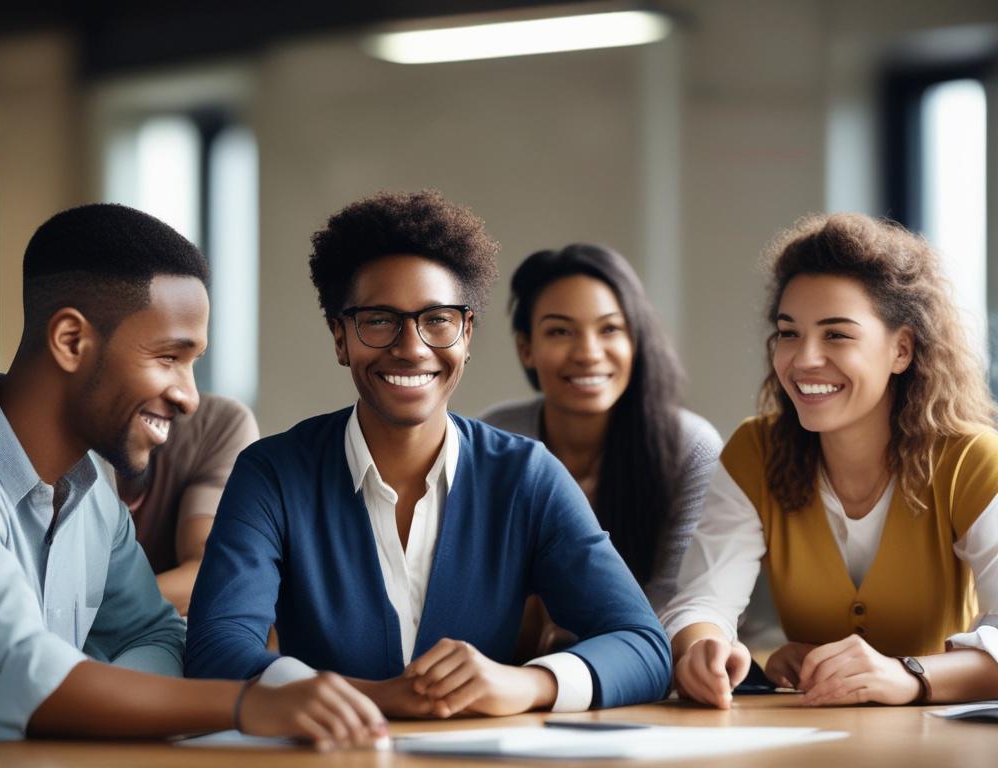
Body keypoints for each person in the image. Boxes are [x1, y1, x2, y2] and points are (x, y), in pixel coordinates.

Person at [186, 190, 673, 718]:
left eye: (438, 319)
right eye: (378, 320)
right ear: (339, 337)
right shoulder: (273, 474)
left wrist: (524, 685)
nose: (412, 347)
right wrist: (372, 699)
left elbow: (644, 646)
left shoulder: (526, 477)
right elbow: (216, 650)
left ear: (467, 333)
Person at [0, 203, 385, 746]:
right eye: (169, 357)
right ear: (71, 341)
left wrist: (87, 701)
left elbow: (155, 632)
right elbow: (19, 674)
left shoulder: (94, 489)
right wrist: (247, 704)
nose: (190, 397)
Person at [662, 213, 998, 708]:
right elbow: (703, 600)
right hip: (810, 733)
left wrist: (906, 676)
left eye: (836, 335)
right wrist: (702, 649)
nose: (803, 360)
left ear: (901, 349)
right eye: (789, 333)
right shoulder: (755, 453)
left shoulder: (971, 460)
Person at [481, 244, 722, 619]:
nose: (589, 353)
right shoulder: (495, 439)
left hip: (661, 667)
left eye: (610, 328)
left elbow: (683, 601)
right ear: (526, 348)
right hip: (515, 666)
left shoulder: (691, 447)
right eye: (560, 331)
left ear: (636, 342)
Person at [113, 393, 259, 615]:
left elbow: (211, 569)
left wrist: (97, 616)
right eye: (167, 358)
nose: (189, 397)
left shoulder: (214, 426)